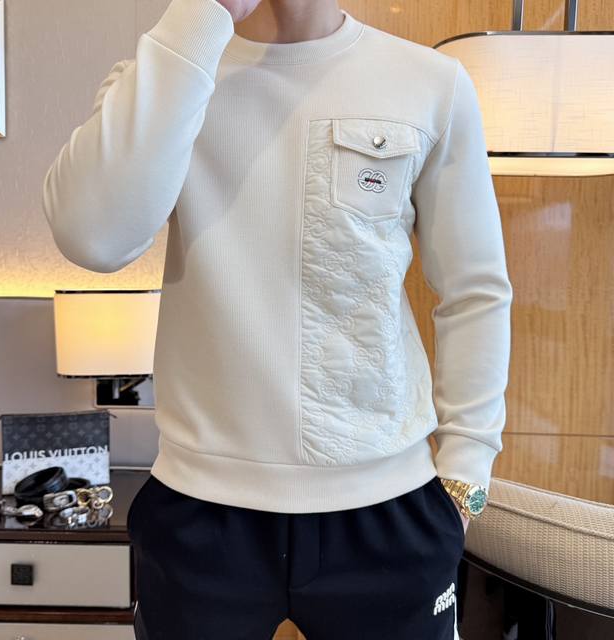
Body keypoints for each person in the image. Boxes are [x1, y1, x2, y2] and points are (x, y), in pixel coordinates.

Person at [41, 0, 513, 637]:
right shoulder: (169, 69)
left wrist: (466, 480)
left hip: (389, 506)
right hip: (200, 508)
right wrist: (203, 14)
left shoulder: (430, 82)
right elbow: (93, 237)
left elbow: (475, 291)